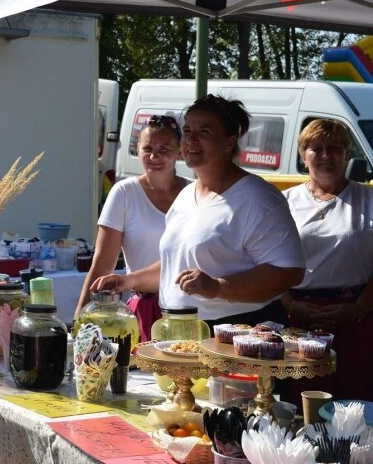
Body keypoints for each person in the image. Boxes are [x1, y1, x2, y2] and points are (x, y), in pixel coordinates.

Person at [91, 95, 305, 327]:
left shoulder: (258, 198)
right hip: (181, 330)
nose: (191, 139)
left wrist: (217, 287)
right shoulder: (186, 195)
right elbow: (175, 265)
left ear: (229, 142)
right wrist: (128, 280)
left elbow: (289, 271)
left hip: (237, 334)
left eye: (204, 132)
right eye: (187, 130)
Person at [74, 115, 189, 341]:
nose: (154, 156)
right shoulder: (124, 192)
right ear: (137, 149)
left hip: (189, 310)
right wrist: (81, 317)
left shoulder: (194, 192)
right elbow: (103, 263)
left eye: (164, 149)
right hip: (145, 310)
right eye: (148, 148)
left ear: (180, 152)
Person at [282, 119, 373, 400]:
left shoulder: (368, 200)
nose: (325, 155)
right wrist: (293, 305)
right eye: (316, 148)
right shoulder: (283, 202)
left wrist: (357, 309)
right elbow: (268, 263)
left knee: (355, 408)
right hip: (297, 321)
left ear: (346, 153)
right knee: (300, 405)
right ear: (303, 156)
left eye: (334, 148)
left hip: (357, 317)